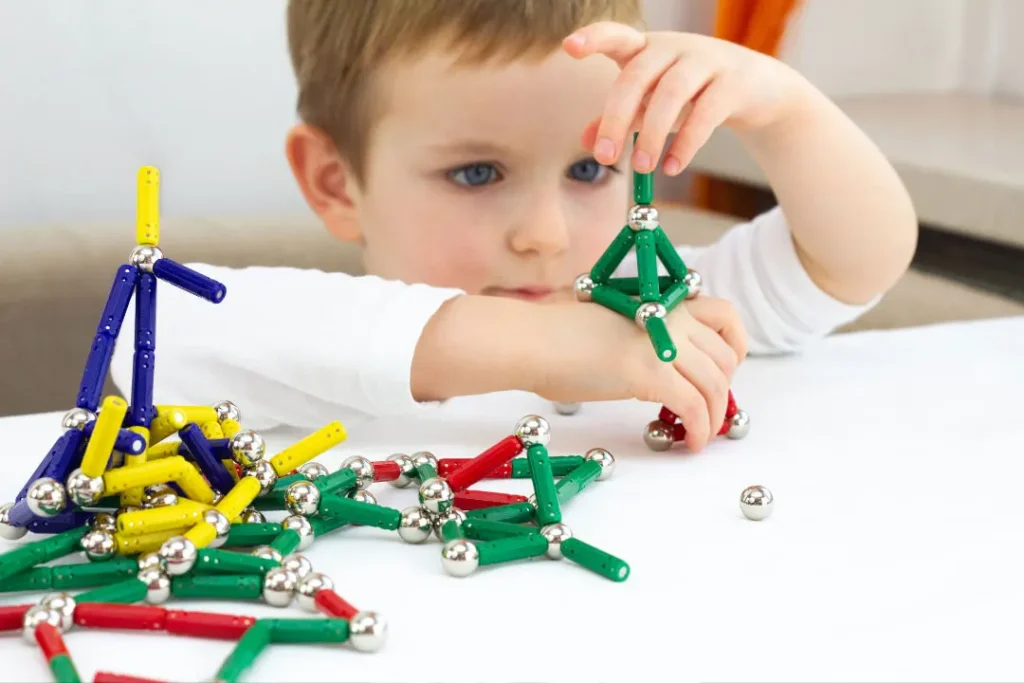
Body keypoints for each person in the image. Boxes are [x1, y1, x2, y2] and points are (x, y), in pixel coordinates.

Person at [110, 0, 917, 452]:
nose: (545, 234)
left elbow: (856, 260)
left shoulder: (656, 308)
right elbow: (155, 328)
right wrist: (551, 349)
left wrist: (784, 109)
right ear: (335, 181)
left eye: (590, 168)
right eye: (476, 173)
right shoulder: (311, 348)